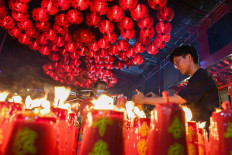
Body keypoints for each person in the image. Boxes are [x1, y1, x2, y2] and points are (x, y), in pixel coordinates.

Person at [132, 45, 220, 130]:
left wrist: (144, 100)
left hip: (205, 131)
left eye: (177, 62)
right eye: (175, 65)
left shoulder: (201, 76)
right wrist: (157, 98)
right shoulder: (197, 78)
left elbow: (178, 100)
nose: (177, 67)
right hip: (198, 129)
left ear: (189, 57)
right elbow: (179, 103)